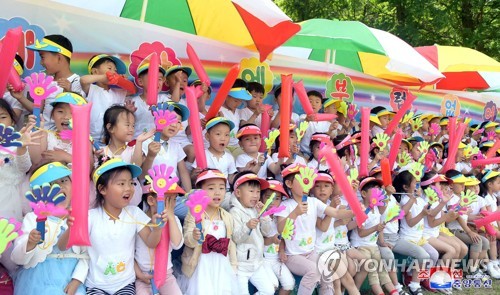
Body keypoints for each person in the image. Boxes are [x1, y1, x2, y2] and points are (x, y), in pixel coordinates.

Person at [58, 158, 167, 294]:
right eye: (121, 183)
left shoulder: (135, 213)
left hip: (125, 283)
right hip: (96, 285)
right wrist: (70, 228)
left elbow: (151, 242)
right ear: (102, 189)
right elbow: (62, 247)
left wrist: (157, 229)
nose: (128, 188)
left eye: (131, 183)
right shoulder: (90, 217)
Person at [275, 163, 356, 295]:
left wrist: (354, 212)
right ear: (289, 184)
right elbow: (280, 229)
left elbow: (335, 213)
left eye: (308, 178)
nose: (306, 182)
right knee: (314, 270)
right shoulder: (285, 205)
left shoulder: (313, 202)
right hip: (292, 255)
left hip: (311, 252)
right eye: (302, 179)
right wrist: (295, 213)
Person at [11, 162, 87, 295]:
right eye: (51, 184)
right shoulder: (32, 218)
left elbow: (86, 255)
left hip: (70, 281)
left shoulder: (81, 217)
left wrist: (77, 281)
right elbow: (17, 259)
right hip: (38, 282)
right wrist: (29, 243)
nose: (60, 186)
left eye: (64, 180)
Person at [181, 169, 239, 295]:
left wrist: (233, 266)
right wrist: (193, 236)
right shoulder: (194, 214)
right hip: (201, 266)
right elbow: (187, 239)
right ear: (200, 191)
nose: (217, 192)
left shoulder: (227, 216)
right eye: (211, 188)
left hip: (221, 266)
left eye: (222, 188)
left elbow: (231, 243)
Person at [229, 171, 278, 294]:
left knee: (269, 291)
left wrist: (264, 215)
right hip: (241, 266)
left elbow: (266, 232)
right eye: (251, 191)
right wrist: (247, 227)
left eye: (258, 192)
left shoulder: (256, 209)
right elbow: (236, 238)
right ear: (238, 193)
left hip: (257, 263)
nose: (255, 195)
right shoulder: (235, 212)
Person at [134, 179, 184, 295]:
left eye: (174, 200)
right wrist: (139, 274)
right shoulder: (139, 220)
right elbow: (129, 252)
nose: (172, 205)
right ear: (151, 200)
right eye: (168, 200)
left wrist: (171, 217)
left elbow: (177, 245)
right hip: (143, 276)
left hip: (166, 275)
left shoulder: (174, 219)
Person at [25, 35, 84, 130]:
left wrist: (68, 91)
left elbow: (79, 113)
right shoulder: (45, 82)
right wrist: (19, 97)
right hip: (43, 135)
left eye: (42, 57)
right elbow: (39, 108)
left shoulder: (77, 82)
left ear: (59, 58)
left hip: (62, 140)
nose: (41, 63)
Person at [351, 177, 398, 295]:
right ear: (363, 193)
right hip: (360, 246)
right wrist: (375, 228)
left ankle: (394, 291)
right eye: (375, 189)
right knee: (371, 268)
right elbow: (361, 233)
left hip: (373, 245)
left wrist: (387, 192)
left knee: (382, 269)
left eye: (379, 188)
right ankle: (355, 291)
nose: (379, 191)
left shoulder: (376, 208)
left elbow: (384, 205)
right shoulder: (360, 208)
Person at [28, 92, 90, 170]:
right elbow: (35, 160)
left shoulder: (85, 141)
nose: (66, 117)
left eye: (73, 113)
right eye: (60, 111)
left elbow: (88, 168)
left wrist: (66, 157)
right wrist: (36, 130)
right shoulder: (44, 135)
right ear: (52, 115)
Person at [80, 54, 132, 146]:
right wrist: (104, 77)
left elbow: (132, 90)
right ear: (95, 71)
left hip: (115, 142)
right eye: (109, 68)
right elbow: (83, 80)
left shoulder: (118, 92)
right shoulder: (91, 89)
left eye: (115, 71)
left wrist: (122, 81)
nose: (113, 72)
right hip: (93, 141)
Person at [140, 101, 192, 191]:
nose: (174, 125)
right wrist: (150, 156)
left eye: (178, 122)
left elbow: (183, 173)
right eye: (170, 119)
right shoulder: (145, 142)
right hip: (152, 192)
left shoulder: (176, 146)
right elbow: (142, 176)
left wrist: (189, 193)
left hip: (173, 192)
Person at [260, 180, 295, 295]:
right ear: (261, 198)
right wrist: (272, 240)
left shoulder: (279, 217)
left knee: (289, 284)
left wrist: (281, 250)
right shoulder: (258, 216)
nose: (272, 202)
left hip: (276, 259)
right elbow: (259, 241)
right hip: (262, 260)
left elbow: (283, 238)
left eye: (277, 198)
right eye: (268, 197)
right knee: (272, 286)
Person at [125, 63, 169, 138]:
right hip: (137, 142)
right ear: (140, 82)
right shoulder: (132, 102)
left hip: (157, 142)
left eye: (160, 79)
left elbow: (172, 117)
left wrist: (160, 113)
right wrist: (128, 113)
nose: (157, 82)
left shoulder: (165, 100)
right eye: (153, 78)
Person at [191, 117, 237, 186]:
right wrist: (194, 175)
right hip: (207, 191)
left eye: (227, 135)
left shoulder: (229, 157)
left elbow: (231, 178)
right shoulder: (202, 155)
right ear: (207, 136)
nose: (223, 138)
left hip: (225, 191)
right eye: (218, 134)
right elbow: (194, 177)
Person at [219, 84, 253, 155]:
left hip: (236, 146)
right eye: (235, 101)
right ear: (227, 97)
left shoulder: (238, 111)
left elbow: (244, 126)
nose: (238, 104)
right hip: (223, 145)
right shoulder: (219, 111)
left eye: (240, 101)